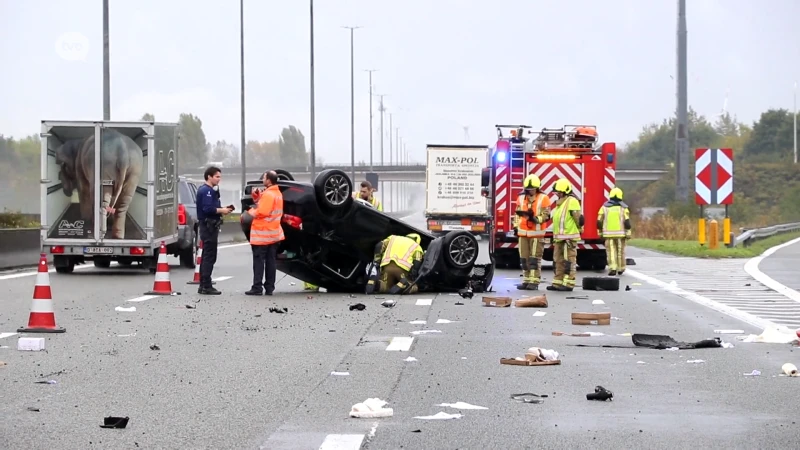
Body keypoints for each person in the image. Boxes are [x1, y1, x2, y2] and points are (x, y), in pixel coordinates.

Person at [245, 171, 284, 296]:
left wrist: (249, 210)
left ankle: (257, 287)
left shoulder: (269, 194)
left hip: (262, 234)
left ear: (269, 180)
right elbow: (268, 207)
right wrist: (258, 198)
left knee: (259, 262)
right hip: (273, 233)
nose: (262, 179)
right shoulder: (277, 193)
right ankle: (269, 287)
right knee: (271, 261)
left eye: (264, 177)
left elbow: (262, 211)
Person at [196, 166, 234, 295]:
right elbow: (207, 209)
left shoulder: (208, 190)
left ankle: (203, 284)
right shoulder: (207, 191)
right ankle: (206, 284)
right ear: (209, 176)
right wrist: (221, 210)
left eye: (220, 177)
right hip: (208, 226)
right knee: (209, 255)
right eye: (217, 177)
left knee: (207, 254)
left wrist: (222, 209)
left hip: (208, 225)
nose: (219, 179)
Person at [514, 174, 552, 290]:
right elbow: (516, 214)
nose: (530, 191)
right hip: (523, 233)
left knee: (534, 259)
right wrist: (515, 226)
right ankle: (526, 280)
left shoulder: (543, 198)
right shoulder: (521, 198)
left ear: (537, 188)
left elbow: (546, 215)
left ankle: (534, 281)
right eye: (528, 189)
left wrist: (536, 219)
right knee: (524, 258)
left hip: (536, 233)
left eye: (532, 189)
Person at [547, 178, 583, 292]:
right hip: (559, 238)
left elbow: (577, 218)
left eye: (558, 192)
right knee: (558, 260)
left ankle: (568, 283)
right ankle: (558, 282)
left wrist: (579, 229)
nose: (556, 194)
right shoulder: (560, 203)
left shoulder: (572, 201)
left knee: (569, 260)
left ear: (564, 191)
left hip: (569, 237)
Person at [597, 187, 632, 276]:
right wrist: (628, 232)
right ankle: (621, 268)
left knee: (611, 252)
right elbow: (627, 222)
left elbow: (599, 221)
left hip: (608, 235)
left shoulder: (604, 208)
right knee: (621, 251)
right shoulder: (624, 208)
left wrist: (600, 232)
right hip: (621, 234)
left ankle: (612, 268)